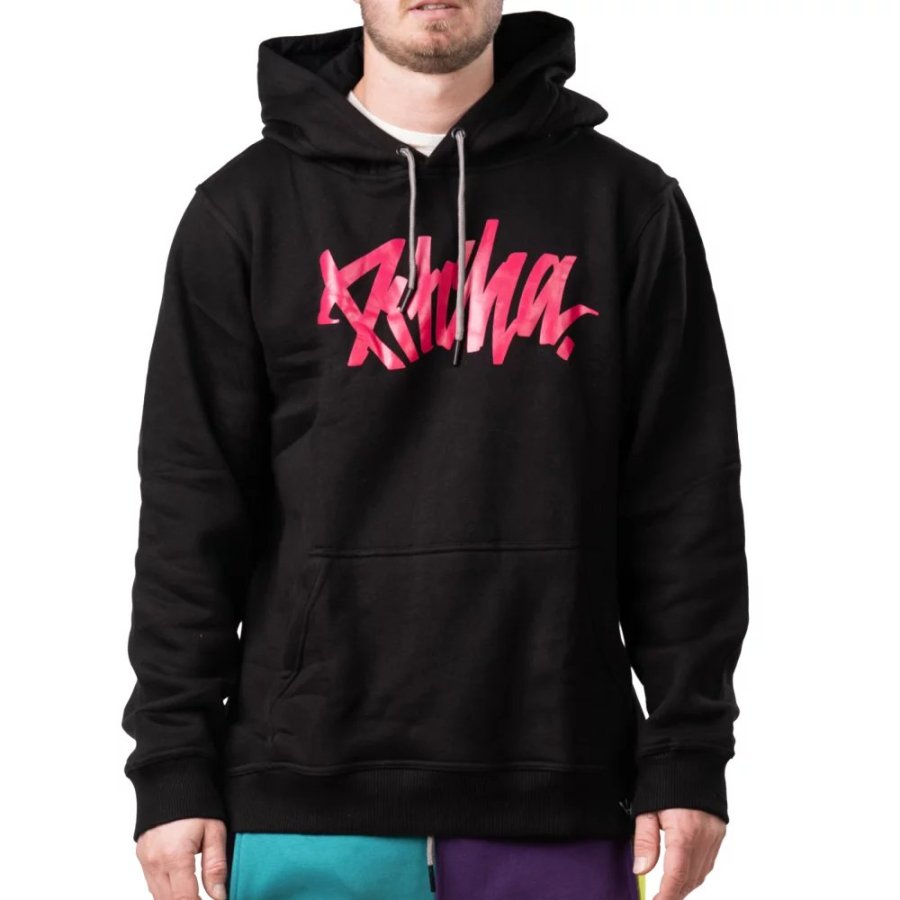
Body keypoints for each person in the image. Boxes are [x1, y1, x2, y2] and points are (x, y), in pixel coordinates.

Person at [121, 2, 749, 898]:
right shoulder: (244, 211)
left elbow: (684, 501)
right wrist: (173, 761)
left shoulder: (627, 205)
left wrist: (689, 749)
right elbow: (192, 507)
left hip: (561, 787)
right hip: (306, 795)